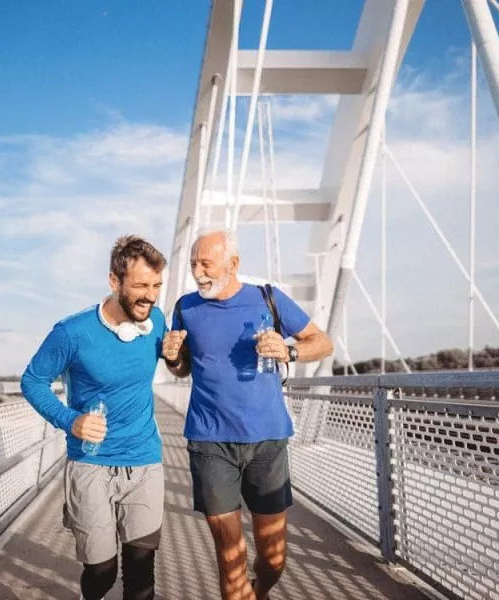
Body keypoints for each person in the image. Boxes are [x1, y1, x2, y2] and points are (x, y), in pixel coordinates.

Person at [162, 227, 333, 600]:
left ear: (233, 263)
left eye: (206, 263)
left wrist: (289, 351)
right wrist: (173, 357)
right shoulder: (185, 308)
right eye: (193, 264)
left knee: (274, 559)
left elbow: (322, 342)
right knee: (230, 555)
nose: (198, 272)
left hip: (267, 440)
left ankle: (259, 591)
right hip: (210, 441)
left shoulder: (267, 299)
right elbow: (182, 369)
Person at [21, 235, 168, 600]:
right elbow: (33, 381)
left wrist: (178, 357)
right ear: (114, 282)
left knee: (141, 571)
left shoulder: (157, 321)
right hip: (91, 463)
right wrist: (70, 420)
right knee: (101, 571)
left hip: (144, 461)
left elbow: (178, 365)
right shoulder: (72, 333)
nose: (149, 296)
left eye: (156, 286)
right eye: (140, 286)